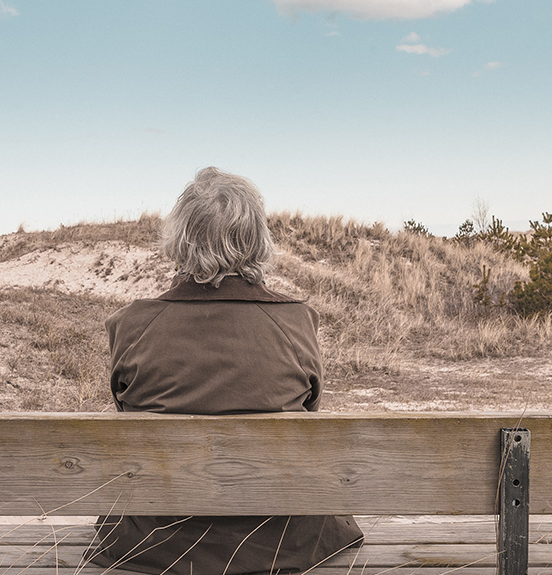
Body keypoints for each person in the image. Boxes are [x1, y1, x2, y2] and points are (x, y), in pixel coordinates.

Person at [85, 167, 363, 575]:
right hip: (282, 542)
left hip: (157, 544)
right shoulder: (296, 323)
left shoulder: (132, 325)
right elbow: (310, 412)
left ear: (180, 241)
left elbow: (125, 411)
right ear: (256, 240)